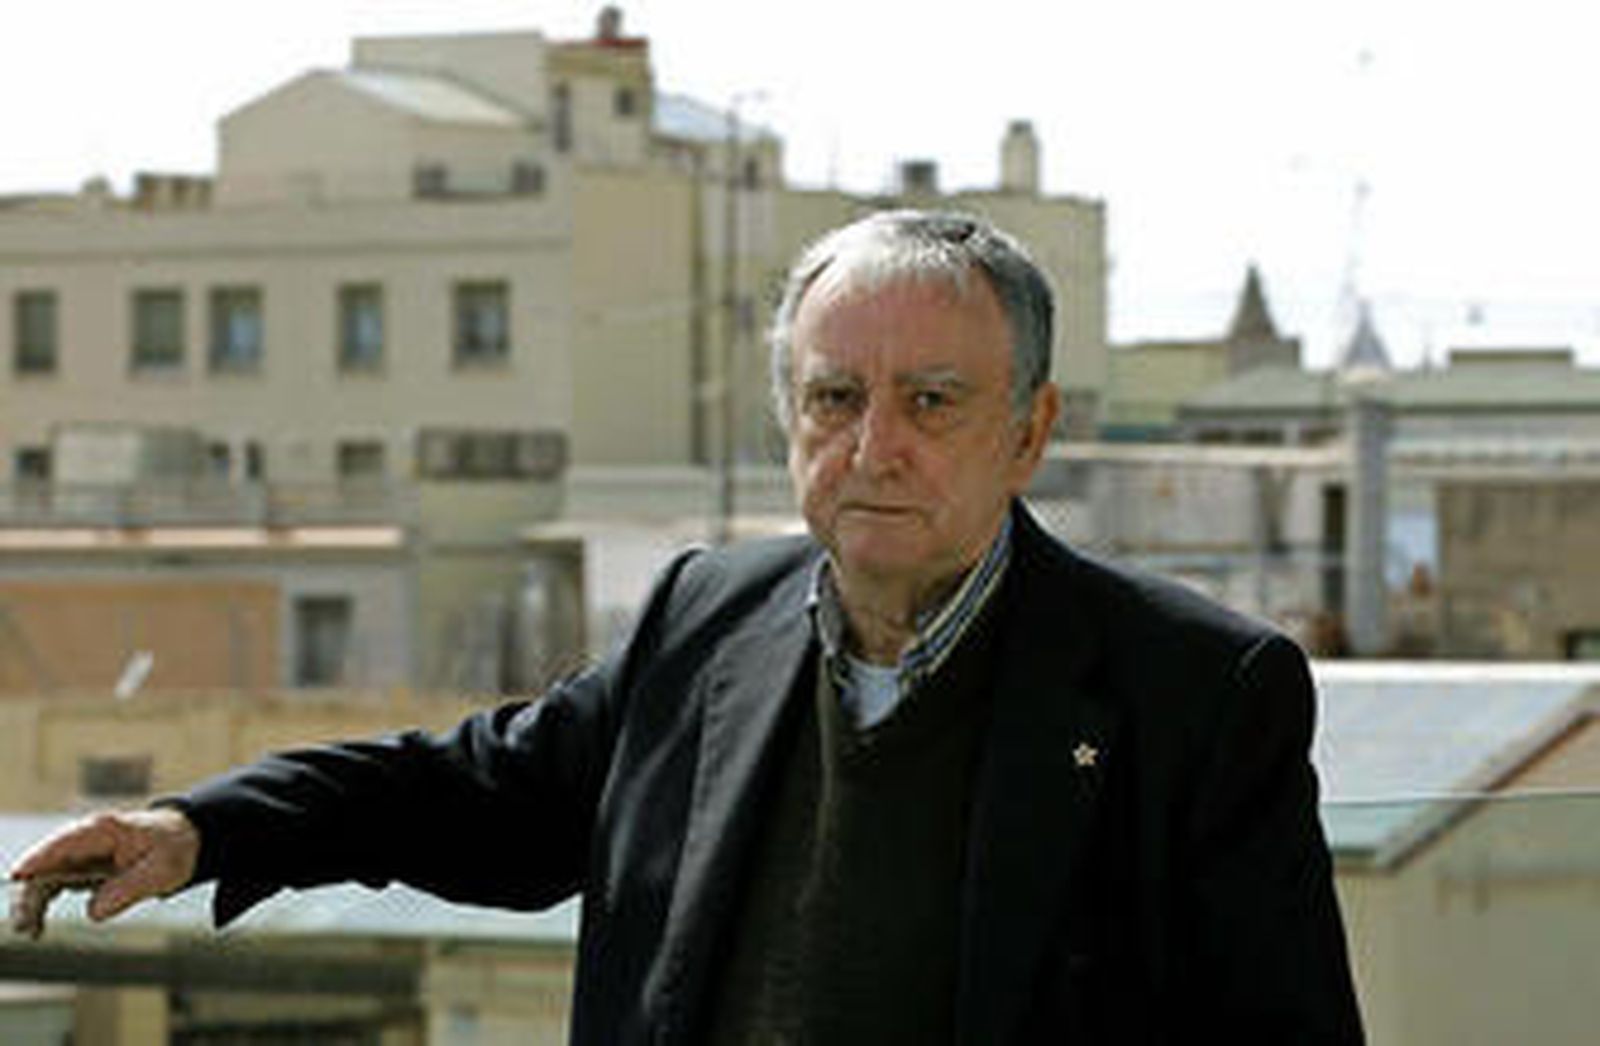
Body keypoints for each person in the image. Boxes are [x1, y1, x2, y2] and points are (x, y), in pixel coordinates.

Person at [11, 210, 1364, 1044]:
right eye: (834, 398)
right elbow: (478, 793)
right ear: (789, 419)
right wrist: (203, 830)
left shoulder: (1193, 691)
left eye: (931, 401)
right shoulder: (709, 619)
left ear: (1032, 431)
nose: (873, 447)